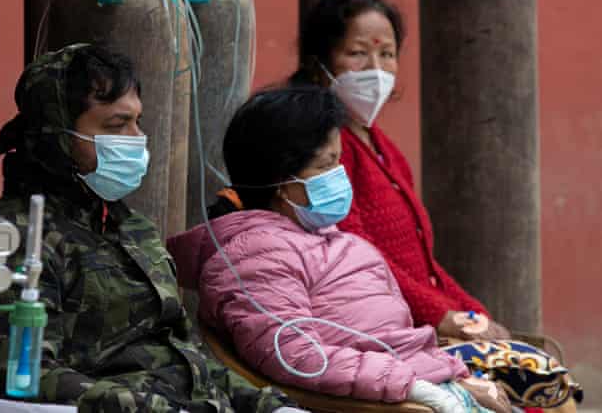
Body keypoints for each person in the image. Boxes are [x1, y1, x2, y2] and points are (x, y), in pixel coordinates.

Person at [0, 44, 305, 413]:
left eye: (137, 122)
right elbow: (21, 375)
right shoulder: (17, 236)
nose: (135, 138)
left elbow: (186, 357)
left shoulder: (133, 229)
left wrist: (268, 405)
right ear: (58, 136)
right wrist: (149, 407)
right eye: (116, 126)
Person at [168, 86, 510, 413]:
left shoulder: (333, 239)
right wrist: (421, 390)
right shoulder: (254, 256)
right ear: (282, 181)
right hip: (392, 403)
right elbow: (296, 356)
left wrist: (458, 378)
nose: (339, 175)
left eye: (339, 161)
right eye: (325, 165)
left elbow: (398, 340)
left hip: (418, 386)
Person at [288, 0, 509, 341]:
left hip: (420, 317)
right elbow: (360, 256)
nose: (376, 70)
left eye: (387, 54)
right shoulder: (327, 150)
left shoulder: (380, 145)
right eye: (358, 53)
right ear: (320, 64)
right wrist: (443, 317)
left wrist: (472, 313)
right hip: (388, 332)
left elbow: (423, 268)